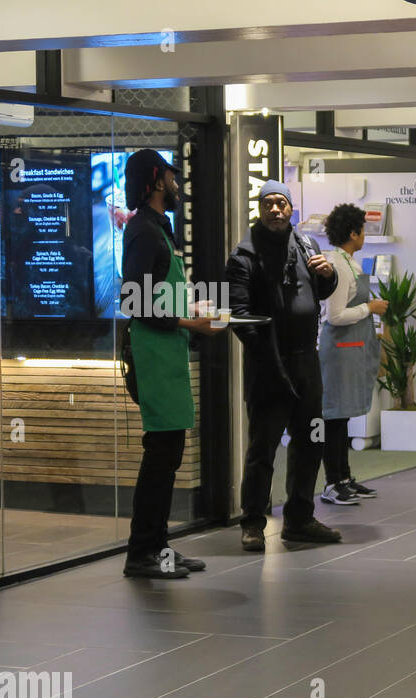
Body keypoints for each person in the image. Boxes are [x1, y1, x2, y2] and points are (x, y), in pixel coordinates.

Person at [119, 149, 224, 578]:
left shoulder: (159, 229)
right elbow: (133, 301)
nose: (177, 183)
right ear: (156, 180)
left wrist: (190, 306)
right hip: (153, 355)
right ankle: (142, 553)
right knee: (160, 458)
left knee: (169, 456)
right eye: (171, 176)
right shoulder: (144, 232)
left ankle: (158, 549)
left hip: (168, 352)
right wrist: (190, 323)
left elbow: (155, 294)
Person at [225, 180, 340, 552]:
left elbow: (319, 292)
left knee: (311, 442)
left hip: (307, 361)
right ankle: (253, 523)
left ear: (291, 209)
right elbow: (238, 316)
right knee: (263, 447)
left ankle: (300, 518)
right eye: (268, 204)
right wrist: (269, 358)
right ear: (260, 209)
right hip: (268, 367)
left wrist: (329, 276)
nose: (276, 209)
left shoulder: (306, 244)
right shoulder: (244, 255)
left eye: (282, 203)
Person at [318, 203, 386, 507]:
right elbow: (335, 316)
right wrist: (369, 309)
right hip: (338, 351)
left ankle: (344, 477)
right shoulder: (338, 266)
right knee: (333, 417)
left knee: (343, 416)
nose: (364, 235)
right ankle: (332, 483)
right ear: (353, 233)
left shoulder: (349, 263)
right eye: (362, 229)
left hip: (350, 349)